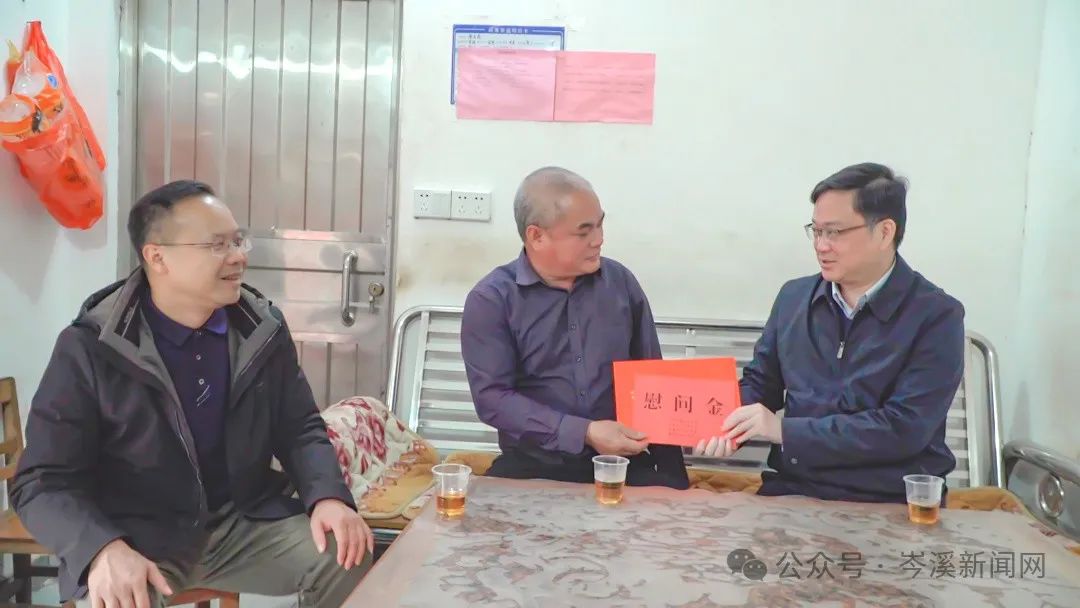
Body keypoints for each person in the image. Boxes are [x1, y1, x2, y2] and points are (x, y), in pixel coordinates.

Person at [11, 180, 372, 607]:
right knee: (122, 596)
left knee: (347, 553)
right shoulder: (92, 346)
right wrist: (101, 548)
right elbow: (41, 481)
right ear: (157, 257)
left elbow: (299, 427)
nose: (238, 256)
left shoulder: (260, 330)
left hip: (240, 525)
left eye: (238, 241)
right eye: (217, 245)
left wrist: (327, 497)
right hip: (137, 537)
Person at [694, 162, 964, 503]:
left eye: (834, 232)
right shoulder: (794, 299)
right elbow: (762, 384)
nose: (821, 246)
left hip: (888, 498)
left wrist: (784, 430)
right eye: (816, 231)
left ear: (884, 232)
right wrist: (721, 423)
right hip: (793, 489)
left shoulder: (936, 315)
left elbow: (904, 428)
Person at [460, 167, 689, 489]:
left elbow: (653, 379)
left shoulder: (620, 284)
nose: (599, 239)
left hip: (622, 462)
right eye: (583, 232)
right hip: (534, 463)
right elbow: (493, 399)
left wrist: (674, 479)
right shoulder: (493, 300)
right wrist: (585, 432)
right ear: (536, 236)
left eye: (600, 224)